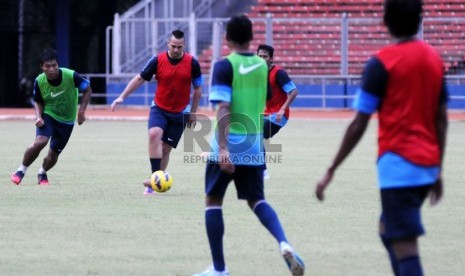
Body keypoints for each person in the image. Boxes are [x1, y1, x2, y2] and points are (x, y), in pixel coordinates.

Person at [314, 0, 448, 275]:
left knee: (405, 245)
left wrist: (331, 169)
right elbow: (441, 118)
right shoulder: (434, 59)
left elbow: (358, 124)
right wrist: (438, 167)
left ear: (384, 22)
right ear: (420, 20)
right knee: (387, 228)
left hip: (399, 166)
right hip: (427, 165)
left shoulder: (381, 64)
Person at [193, 15, 304, 276]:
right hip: (254, 146)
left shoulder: (224, 66)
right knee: (257, 200)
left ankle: (219, 270)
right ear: (251, 38)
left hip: (228, 143)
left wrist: (222, 148)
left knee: (213, 202)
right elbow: (264, 98)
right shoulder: (263, 67)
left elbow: (223, 107)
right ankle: (284, 243)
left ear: (227, 39)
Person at [110, 29, 203, 195]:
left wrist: (193, 113)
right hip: (159, 108)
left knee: (165, 150)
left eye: (179, 47)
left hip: (180, 112)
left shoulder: (192, 63)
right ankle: (155, 179)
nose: (176, 49)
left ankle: (152, 183)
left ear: (184, 45)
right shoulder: (157, 60)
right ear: (168, 43)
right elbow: (139, 78)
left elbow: (198, 89)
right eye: (173, 46)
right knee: (154, 135)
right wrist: (122, 97)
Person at [11, 48, 92, 185]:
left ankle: (42, 172)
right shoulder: (39, 81)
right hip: (49, 114)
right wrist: (38, 117)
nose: (52, 69)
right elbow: (38, 101)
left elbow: (88, 89)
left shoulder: (71, 75)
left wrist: (82, 111)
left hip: (67, 120)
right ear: (42, 67)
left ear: (58, 64)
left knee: (53, 155)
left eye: (54, 65)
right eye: (47, 66)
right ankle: (21, 170)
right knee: (40, 141)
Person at [257, 44, 298, 179]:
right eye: (260, 56)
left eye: (265, 56)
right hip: (264, 113)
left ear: (271, 58)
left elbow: (293, 91)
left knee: (257, 134)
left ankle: (262, 171)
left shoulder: (279, 73)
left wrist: (282, 109)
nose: (262, 59)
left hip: (278, 115)